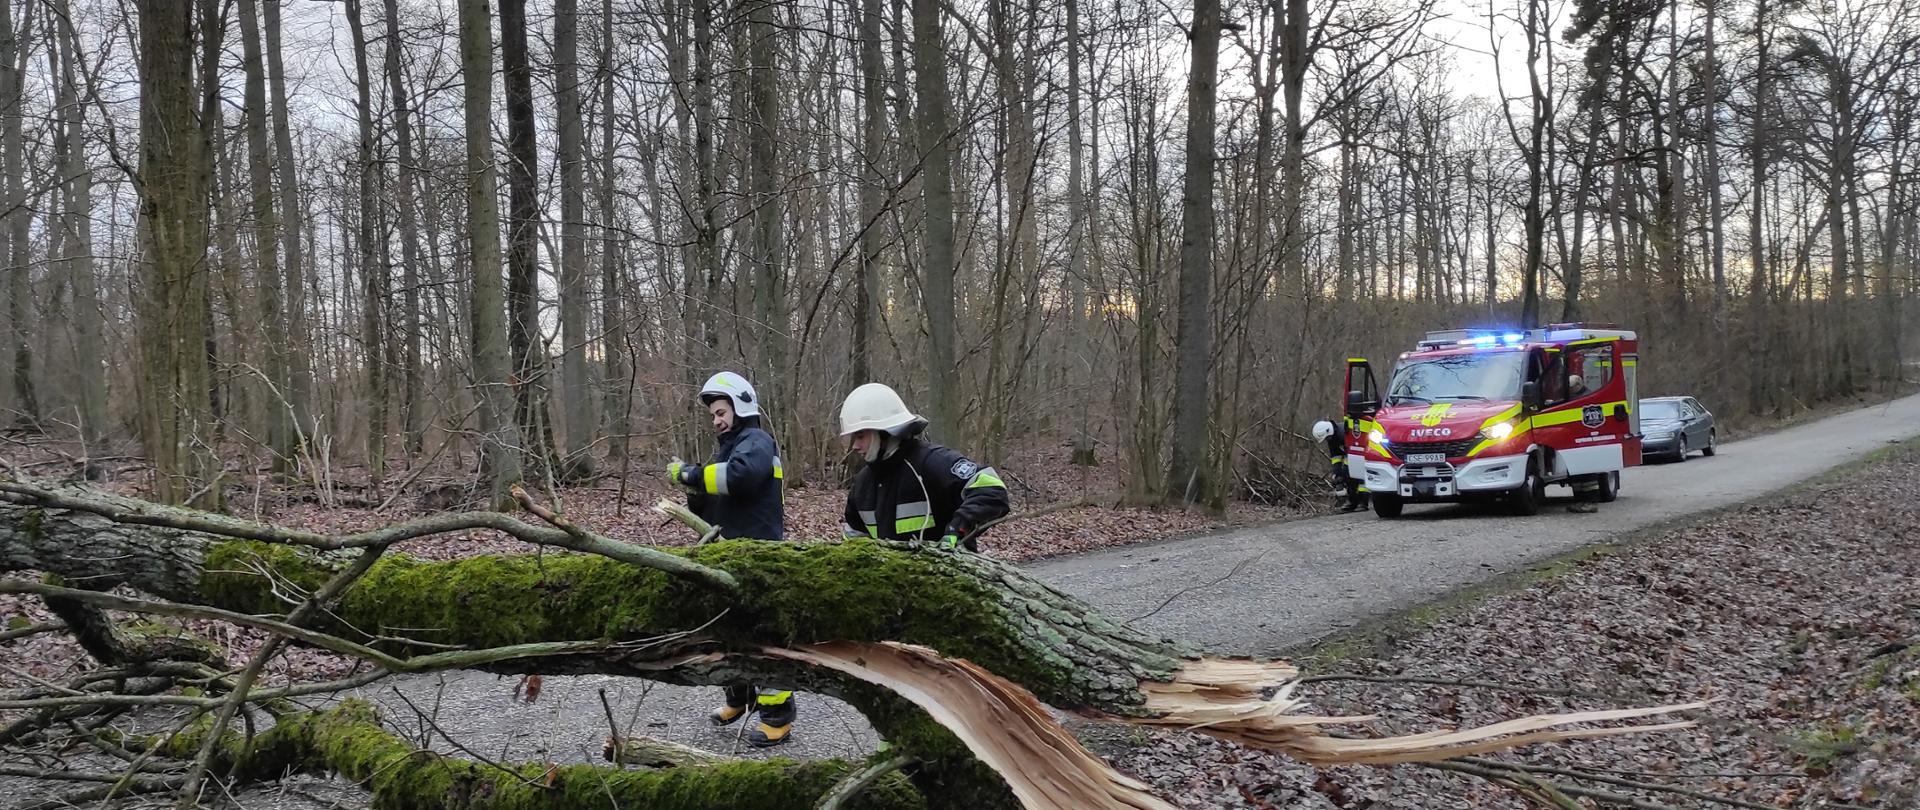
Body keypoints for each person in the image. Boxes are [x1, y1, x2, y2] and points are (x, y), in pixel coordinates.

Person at [666, 371, 794, 747]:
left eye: (722, 412)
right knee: (727, 632)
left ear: (741, 407)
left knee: (761, 638)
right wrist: (693, 489)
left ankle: (777, 715)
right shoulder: (729, 448)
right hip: (727, 552)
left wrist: (690, 473)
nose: (717, 420)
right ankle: (738, 699)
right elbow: (714, 498)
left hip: (757, 555)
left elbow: (741, 478)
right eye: (713, 415)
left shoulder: (757, 441)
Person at [837, 383, 1010, 552]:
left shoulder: (932, 462)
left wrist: (958, 530)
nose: (855, 446)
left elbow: (991, 490)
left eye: (860, 436)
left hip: (948, 577)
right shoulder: (863, 484)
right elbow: (854, 543)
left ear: (884, 433)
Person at [1314, 419, 1368, 512]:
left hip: (1361, 452)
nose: (1327, 440)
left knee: (1357, 477)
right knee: (1347, 476)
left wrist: (1344, 471)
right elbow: (1336, 456)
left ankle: (1363, 502)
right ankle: (1352, 502)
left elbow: (1352, 450)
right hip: (1352, 455)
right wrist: (1337, 473)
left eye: (1327, 438)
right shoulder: (1332, 438)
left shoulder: (1343, 432)